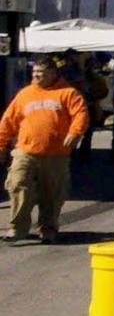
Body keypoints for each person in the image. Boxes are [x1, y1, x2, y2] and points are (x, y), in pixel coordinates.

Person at [0, 57, 88, 242]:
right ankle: (18, 227)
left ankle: (48, 228)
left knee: (52, 194)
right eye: (34, 72)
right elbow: (8, 121)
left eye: (40, 72)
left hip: (56, 155)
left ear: (53, 73)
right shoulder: (25, 94)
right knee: (17, 183)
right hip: (25, 151)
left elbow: (80, 114)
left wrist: (75, 132)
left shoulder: (68, 93)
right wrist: (1, 145)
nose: (36, 75)